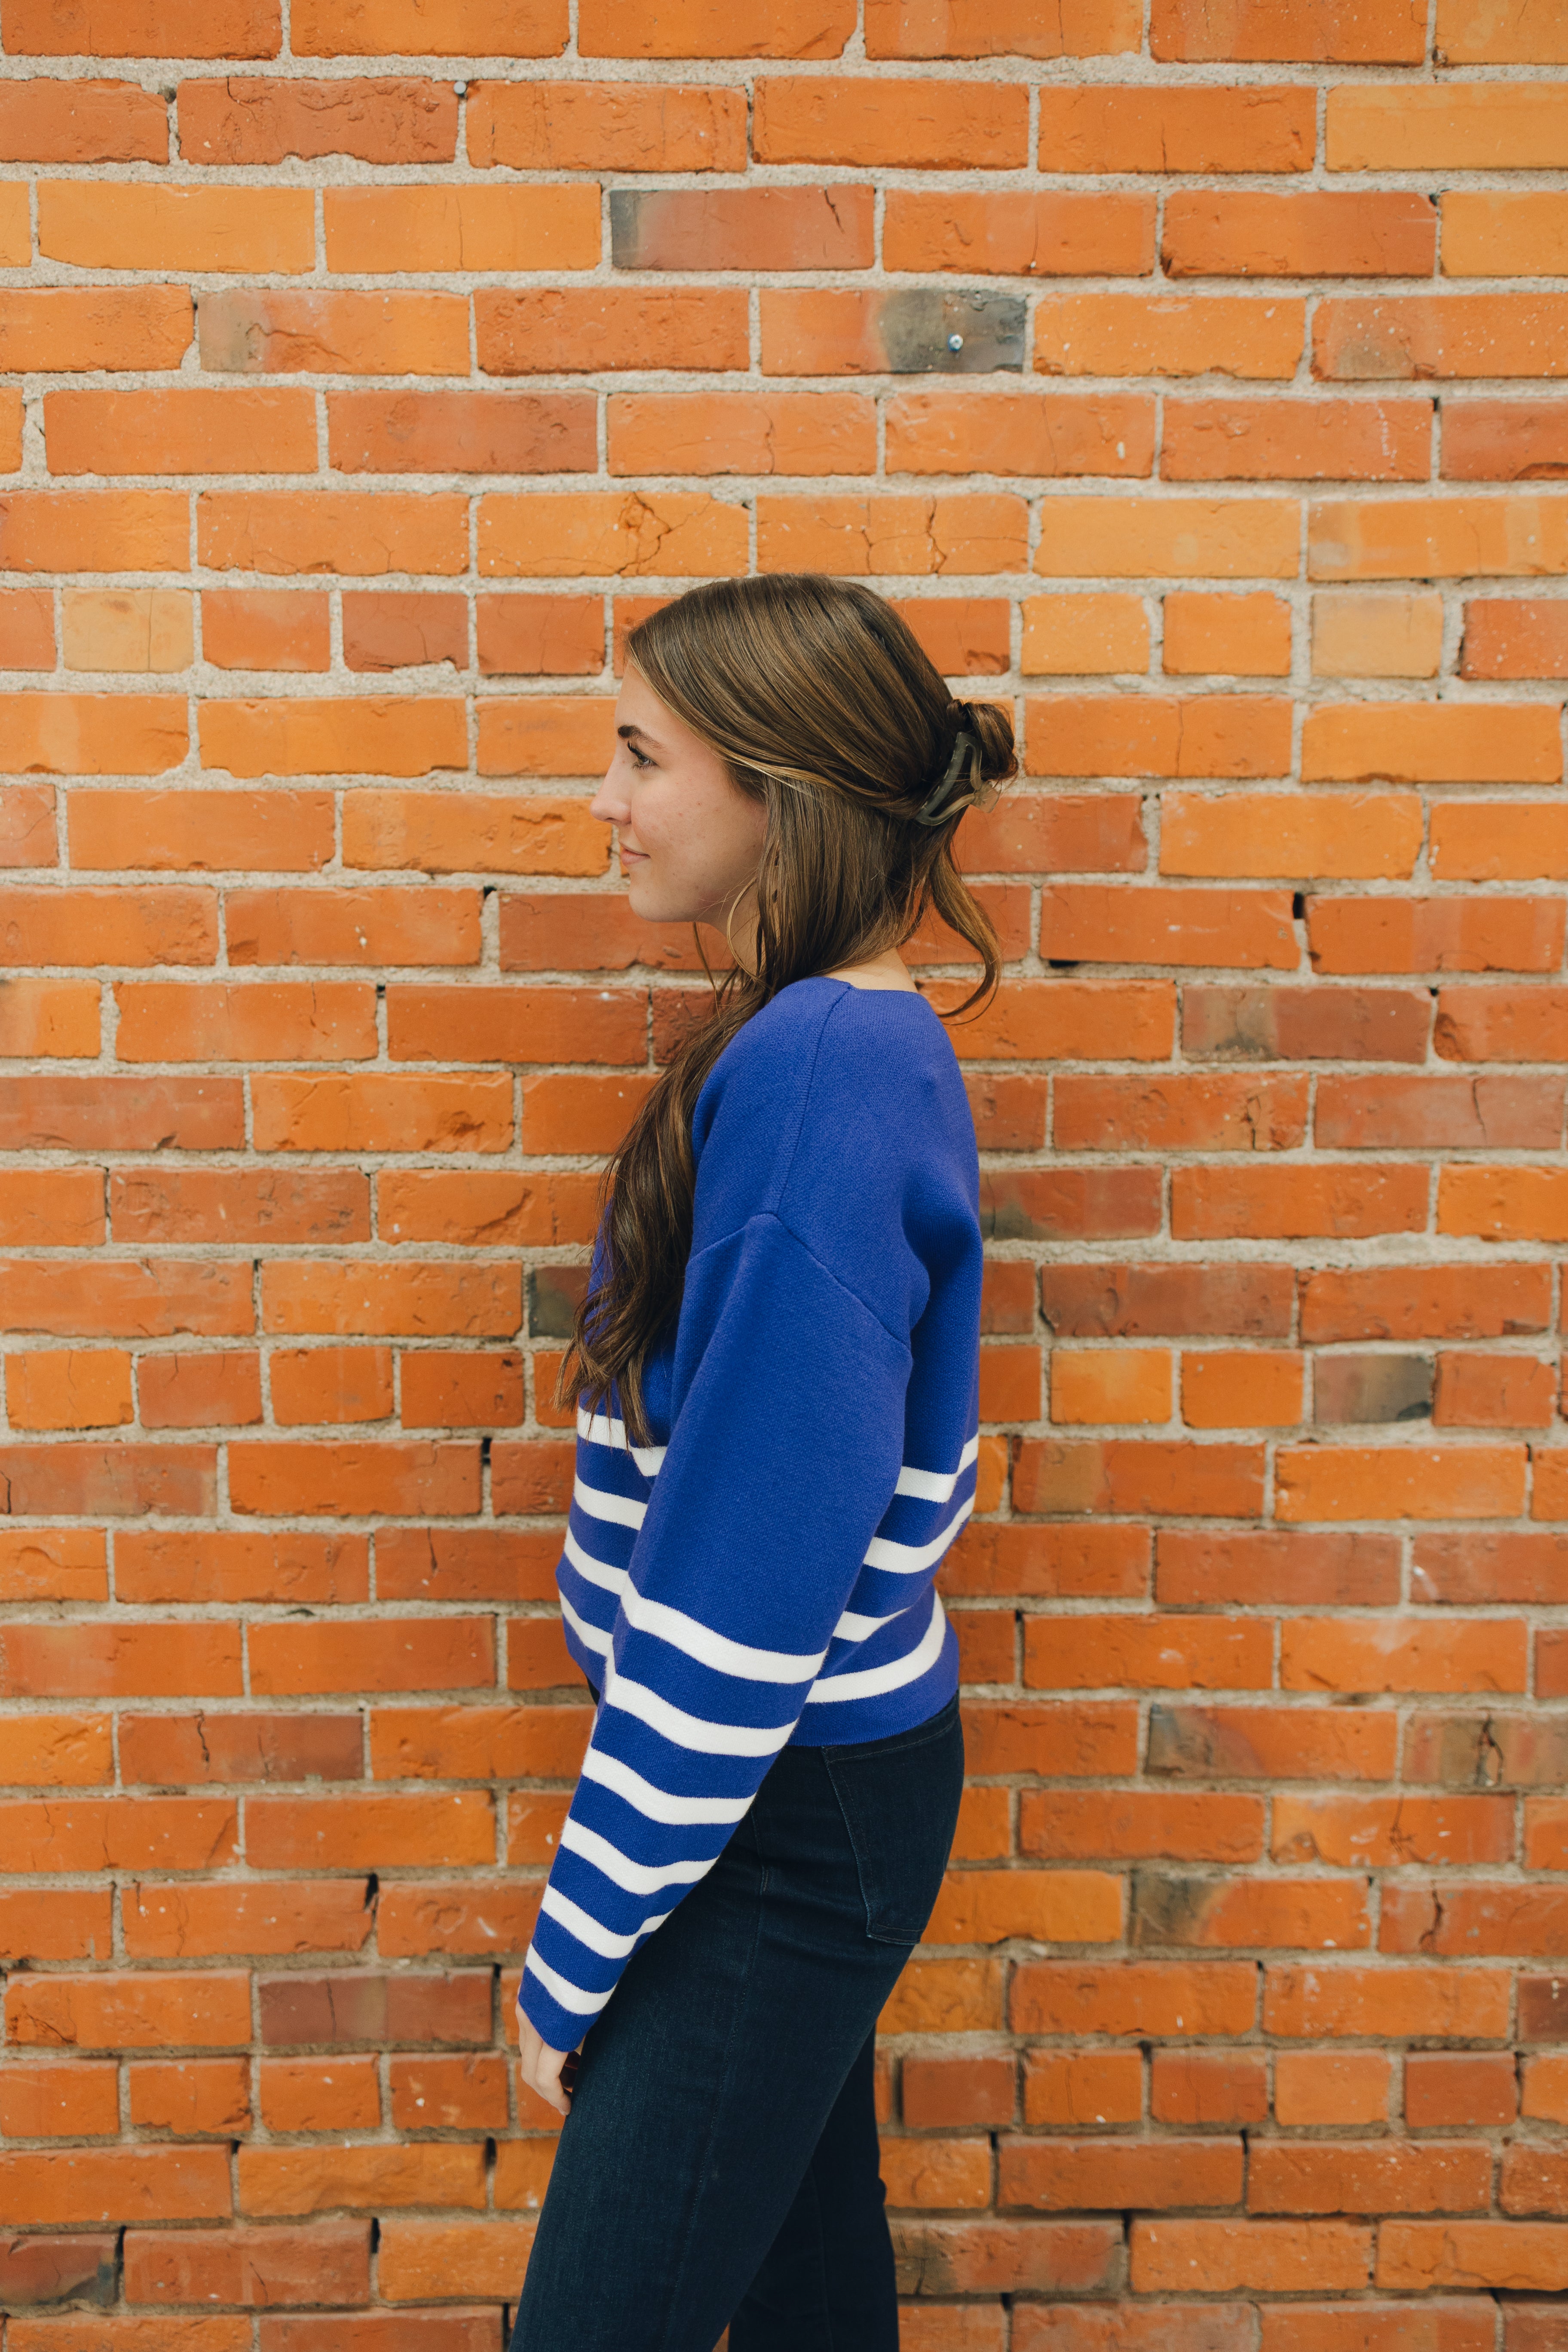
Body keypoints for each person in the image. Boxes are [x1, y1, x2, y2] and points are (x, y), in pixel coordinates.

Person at [507, 573, 1016, 2351]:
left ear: (778, 789)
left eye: (642, 755)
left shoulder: (813, 1074)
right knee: (808, 2294)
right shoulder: (841, 1042)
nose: (606, 801)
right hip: (809, 1790)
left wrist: (570, 1963)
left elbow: (740, 1599)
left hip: (783, 1812)